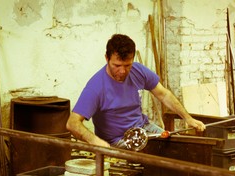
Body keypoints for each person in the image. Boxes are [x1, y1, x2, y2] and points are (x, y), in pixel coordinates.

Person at [66, 34, 205, 149]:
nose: (122, 71)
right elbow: (72, 123)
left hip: (143, 129)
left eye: (127, 65)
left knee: (178, 147)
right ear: (107, 58)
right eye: (117, 65)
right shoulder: (96, 87)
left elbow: (164, 94)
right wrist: (96, 141)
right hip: (116, 140)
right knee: (152, 162)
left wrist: (187, 118)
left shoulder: (138, 70)